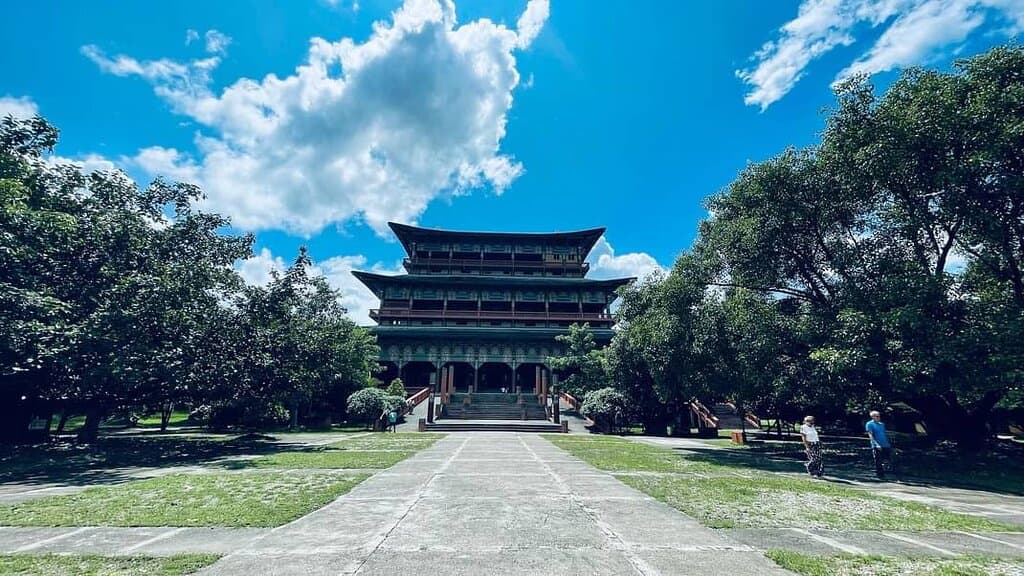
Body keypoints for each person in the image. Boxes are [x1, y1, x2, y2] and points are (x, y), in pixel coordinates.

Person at [866, 410, 893, 479]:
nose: (879, 417)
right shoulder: (869, 424)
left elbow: (884, 434)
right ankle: (880, 476)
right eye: (877, 416)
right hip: (877, 445)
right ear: (873, 417)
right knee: (878, 460)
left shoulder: (882, 424)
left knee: (888, 459)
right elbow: (870, 435)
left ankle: (888, 472)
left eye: (879, 416)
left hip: (886, 444)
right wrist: (876, 444)